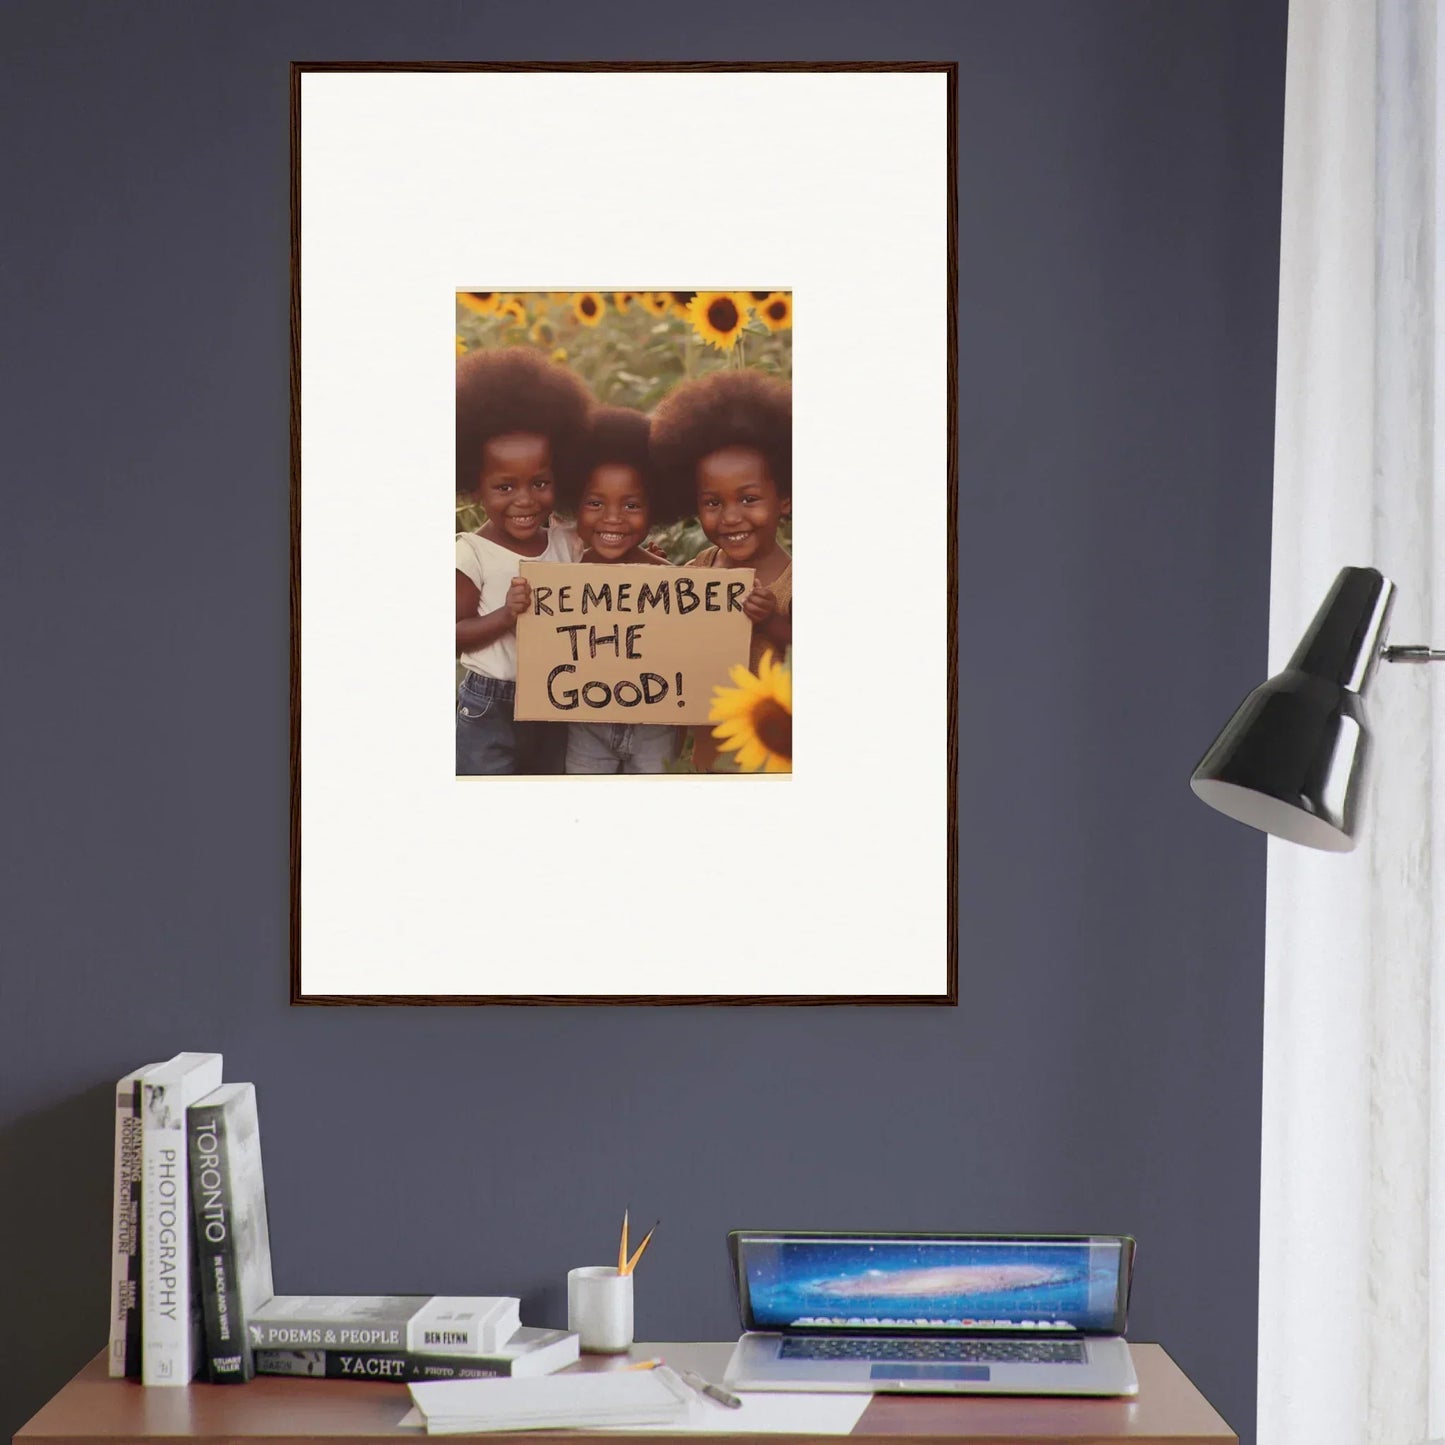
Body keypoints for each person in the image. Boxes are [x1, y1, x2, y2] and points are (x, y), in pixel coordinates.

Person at [454, 346, 591, 775]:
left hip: (558, 697)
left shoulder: (565, 543)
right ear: (475, 489)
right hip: (489, 706)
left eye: (540, 482)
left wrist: (643, 563)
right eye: (505, 487)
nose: (525, 500)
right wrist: (506, 615)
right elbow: (453, 634)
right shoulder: (471, 552)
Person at [650, 370, 792, 772]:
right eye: (712, 503)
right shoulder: (702, 567)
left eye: (748, 499)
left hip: (774, 754)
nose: (731, 517)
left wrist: (770, 623)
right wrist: (654, 572)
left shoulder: (795, 583)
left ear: (784, 500)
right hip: (709, 750)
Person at [560, 406, 682, 774]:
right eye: (595, 503)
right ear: (573, 506)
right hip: (586, 721)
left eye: (631, 505)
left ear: (655, 508)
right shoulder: (563, 577)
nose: (613, 518)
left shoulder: (669, 578)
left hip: (655, 723)